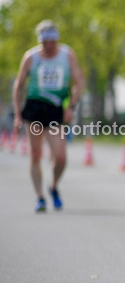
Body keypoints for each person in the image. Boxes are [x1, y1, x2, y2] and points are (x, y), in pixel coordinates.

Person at [12, 20, 85, 212]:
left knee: (60, 157)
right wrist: (18, 114)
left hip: (55, 109)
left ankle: (53, 185)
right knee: (35, 155)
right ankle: (39, 197)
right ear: (41, 41)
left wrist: (71, 107)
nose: (50, 46)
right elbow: (18, 86)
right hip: (35, 109)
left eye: (53, 41)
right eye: (46, 42)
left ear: (57, 40)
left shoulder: (67, 55)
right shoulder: (31, 57)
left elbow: (79, 82)